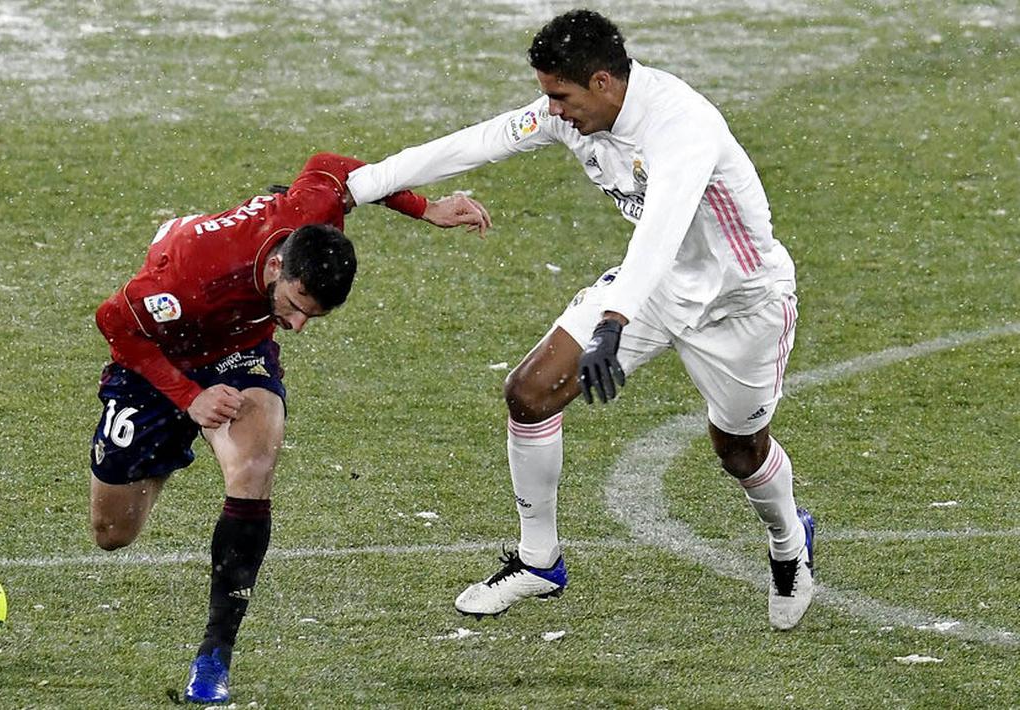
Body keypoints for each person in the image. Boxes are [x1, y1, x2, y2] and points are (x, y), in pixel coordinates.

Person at [347, 10, 816, 631]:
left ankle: (789, 541)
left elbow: (661, 227)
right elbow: (473, 142)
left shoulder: (683, 126)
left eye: (560, 96)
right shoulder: (576, 116)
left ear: (602, 82)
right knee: (530, 393)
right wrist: (355, 188)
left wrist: (614, 318)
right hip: (655, 288)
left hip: (742, 304)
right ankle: (539, 559)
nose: (553, 111)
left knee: (737, 448)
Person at [88, 151, 490, 704]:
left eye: (314, 317)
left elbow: (338, 168)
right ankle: (171, 447)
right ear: (277, 267)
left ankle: (213, 658)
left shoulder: (316, 215)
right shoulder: (193, 274)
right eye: (297, 306)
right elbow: (114, 322)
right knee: (114, 533)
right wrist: (189, 397)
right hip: (164, 353)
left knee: (253, 466)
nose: (299, 326)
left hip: (238, 354)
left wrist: (427, 208)